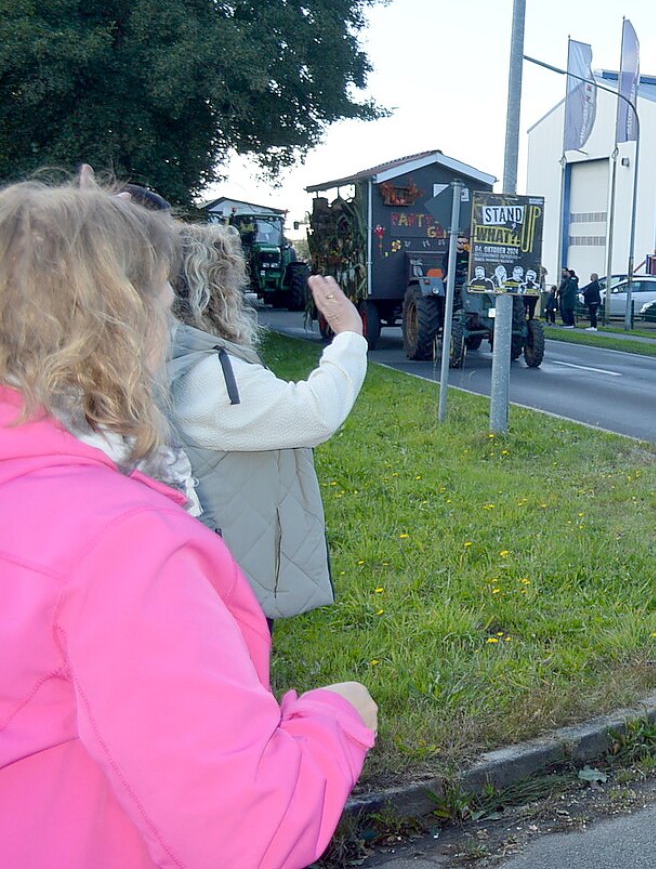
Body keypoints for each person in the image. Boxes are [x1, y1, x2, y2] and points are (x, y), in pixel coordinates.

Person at [0, 181, 375, 868]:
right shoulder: (121, 547)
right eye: (157, 305)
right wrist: (339, 717)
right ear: (116, 324)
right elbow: (248, 832)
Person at [168, 223, 369, 624]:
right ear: (214, 289)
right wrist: (349, 335)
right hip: (230, 570)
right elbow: (313, 414)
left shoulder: (167, 353)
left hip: (205, 560)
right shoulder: (209, 374)